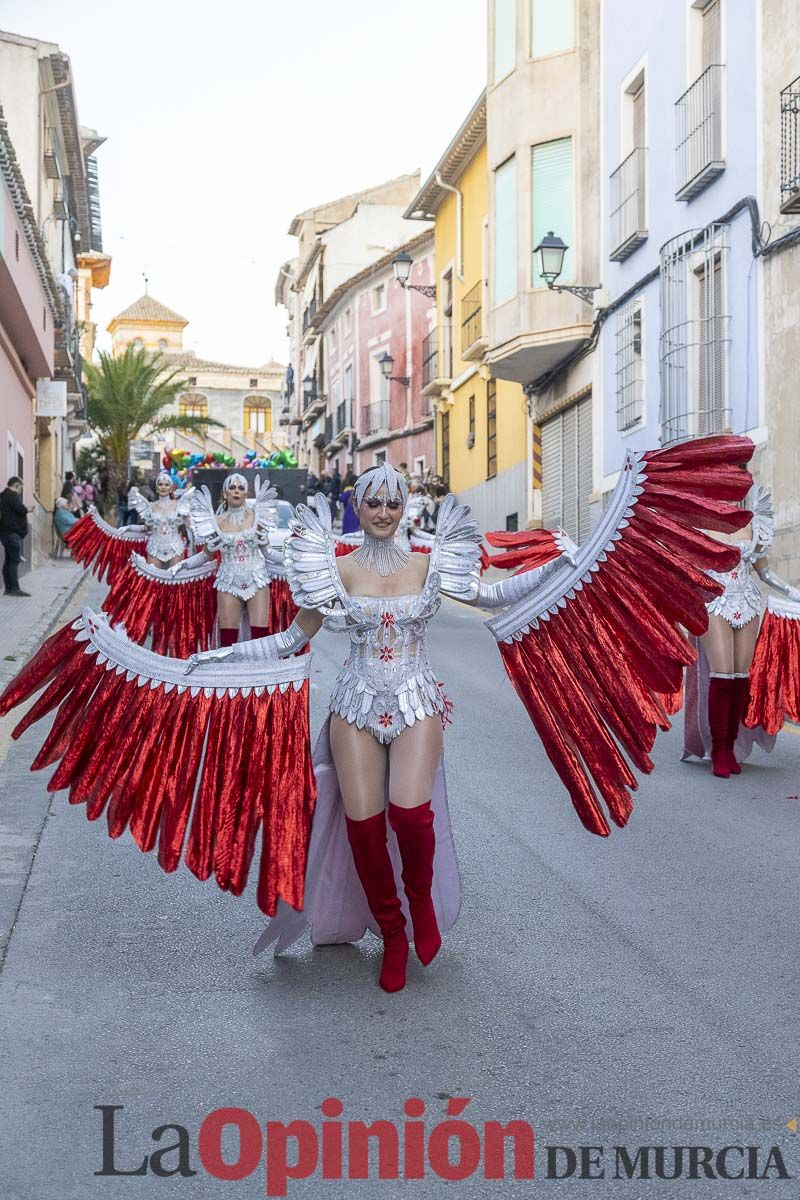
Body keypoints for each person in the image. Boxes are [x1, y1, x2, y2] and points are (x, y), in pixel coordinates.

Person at [0, 436, 756, 995]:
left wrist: (574, 558)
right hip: (355, 707)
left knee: (410, 819)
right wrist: (206, 662)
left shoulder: (433, 560)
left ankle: (420, 904)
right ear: (359, 506)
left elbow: (493, 600)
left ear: (406, 506)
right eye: (375, 498)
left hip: (418, 701)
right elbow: (293, 639)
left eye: (396, 498)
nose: (387, 508)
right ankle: (391, 931)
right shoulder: (331, 568)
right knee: (363, 824)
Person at [683, 483, 800, 776]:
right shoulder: (701, 523)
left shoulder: (752, 522)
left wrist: (793, 593)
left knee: (739, 679)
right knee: (721, 676)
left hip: (748, 601)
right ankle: (719, 749)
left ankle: (732, 745)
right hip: (715, 602)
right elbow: (687, 567)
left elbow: (764, 571)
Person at [173, 473, 276, 644]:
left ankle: (260, 670)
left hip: (257, 580)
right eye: (232, 488)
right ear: (225, 493)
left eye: (241, 488)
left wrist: (292, 558)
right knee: (228, 641)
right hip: (228, 581)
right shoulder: (216, 522)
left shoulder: (257, 518)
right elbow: (205, 555)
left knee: (260, 639)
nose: (237, 491)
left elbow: (268, 553)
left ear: (246, 493)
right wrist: (183, 564)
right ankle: (229, 671)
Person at [126, 472, 189, 568]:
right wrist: (129, 528)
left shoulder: (179, 505)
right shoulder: (151, 506)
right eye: (160, 484)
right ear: (156, 488)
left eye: (167, 485)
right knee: (153, 581)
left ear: (171, 488)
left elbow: (190, 525)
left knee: (175, 581)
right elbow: (146, 528)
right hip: (154, 548)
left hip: (175, 548)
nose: (163, 487)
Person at [0, 476, 31, 597]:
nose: (21, 491)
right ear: (16, 485)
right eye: (20, 488)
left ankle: (8, 588)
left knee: (8, 561)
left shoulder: (3, 495)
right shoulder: (12, 495)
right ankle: (14, 589)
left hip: (5, 533)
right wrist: (27, 509)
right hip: (12, 533)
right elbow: (20, 509)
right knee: (14, 561)